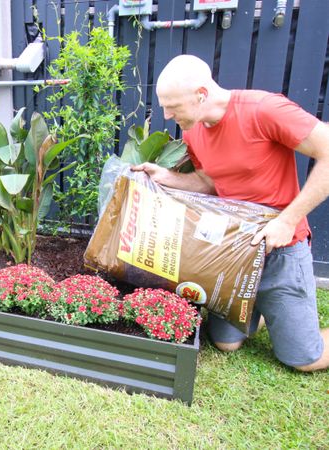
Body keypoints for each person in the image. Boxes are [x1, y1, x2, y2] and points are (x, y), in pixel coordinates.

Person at [132, 54, 329, 372]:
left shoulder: (264, 110)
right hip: (234, 253)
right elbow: (208, 182)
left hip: (281, 247)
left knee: (304, 359)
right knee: (226, 343)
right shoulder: (194, 130)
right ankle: (263, 307)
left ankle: (274, 302)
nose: (167, 116)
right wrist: (166, 178)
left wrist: (288, 220)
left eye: (173, 106)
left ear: (201, 94)